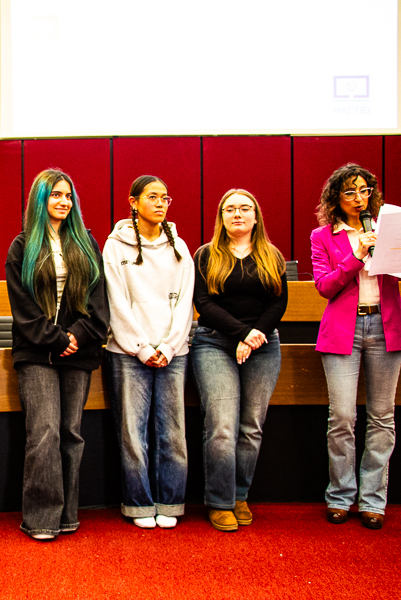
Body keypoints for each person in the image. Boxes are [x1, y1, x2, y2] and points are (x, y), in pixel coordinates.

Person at [311, 163, 401, 530]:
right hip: (342, 329)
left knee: (381, 416)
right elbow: (325, 287)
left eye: (364, 191)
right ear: (336, 198)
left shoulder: (387, 229)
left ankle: (373, 500)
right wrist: (358, 254)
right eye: (350, 192)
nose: (359, 198)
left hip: (386, 325)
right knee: (342, 417)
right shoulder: (323, 236)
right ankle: (340, 496)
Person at [5, 169, 109, 541]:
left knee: (70, 433)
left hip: (79, 349)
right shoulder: (22, 246)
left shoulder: (86, 242)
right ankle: (41, 519)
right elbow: (22, 307)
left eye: (68, 195)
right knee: (44, 432)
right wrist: (54, 338)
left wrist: (76, 335)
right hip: (36, 352)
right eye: (55, 195)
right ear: (40, 199)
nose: (63, 201)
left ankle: (67, 515)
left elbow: (98, 298)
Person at [192, 189, 287, 532]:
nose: (237, 214)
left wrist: (255, 334)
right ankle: (220, 501)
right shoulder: (206, 255)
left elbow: (278, 302)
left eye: (245, 208)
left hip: (263, 345)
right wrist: (243, 334)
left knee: (251, 426)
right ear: (221, 217)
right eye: (230, 209)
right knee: (221, 426)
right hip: (214, 343)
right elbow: (204, 303)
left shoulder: (271, 255)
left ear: (255, 216)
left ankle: (240, 495)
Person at [103, 175, 194, 529]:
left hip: (173, 353)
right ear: (133, 202)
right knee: (132, 433)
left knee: (172, 432)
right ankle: (139, 504)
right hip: (128, 354)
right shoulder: (115, 246)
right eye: (152, 197)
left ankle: (170, 501)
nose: (160, 203)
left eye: (165, 198)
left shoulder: (179, 247)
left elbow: (185, 302)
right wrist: (141, 347)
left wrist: (168, 346)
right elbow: (116, 302)